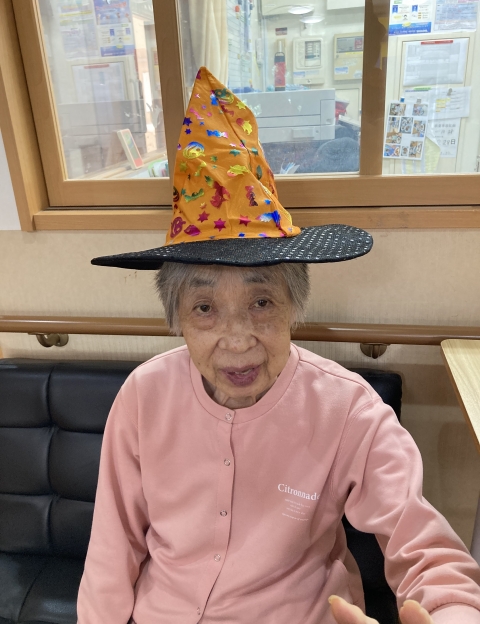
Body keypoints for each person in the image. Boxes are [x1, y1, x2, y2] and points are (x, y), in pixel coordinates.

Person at [79, 68, 480, 624]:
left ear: (295, 306)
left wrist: (454, 614)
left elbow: (426, 547)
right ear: (176, 319)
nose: (237, 339)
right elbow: (113, 547)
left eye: (262, 302)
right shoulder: (143, 396)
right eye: (204, 308)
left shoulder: (348, 409)